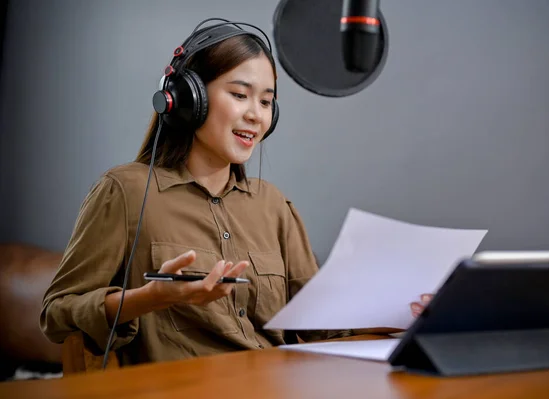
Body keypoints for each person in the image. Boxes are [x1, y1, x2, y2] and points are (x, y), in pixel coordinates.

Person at [40, 20, 430, 367]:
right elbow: (57, 314)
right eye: (240, 95)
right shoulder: (124, 191)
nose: (256, 116)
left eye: (266, 101)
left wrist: (404, 314)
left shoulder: (273, 205)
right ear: (190, 98)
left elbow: (321, 326)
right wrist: (150, 298)